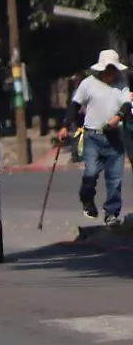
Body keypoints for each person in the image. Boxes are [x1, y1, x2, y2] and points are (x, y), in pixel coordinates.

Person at [58, 49, 133, 225]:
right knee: (91, 173)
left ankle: (111, 214)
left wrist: (117, 118)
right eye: (108, 70)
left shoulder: (121, 83)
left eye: (113, 70)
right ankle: (86, 198)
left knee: (114, 179)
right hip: (93, 137)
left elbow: (126, 104)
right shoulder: (88, 84)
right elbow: (75, 105)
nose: (111, 74)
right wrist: (64, 127)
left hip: (114, 136)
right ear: (100, 70)